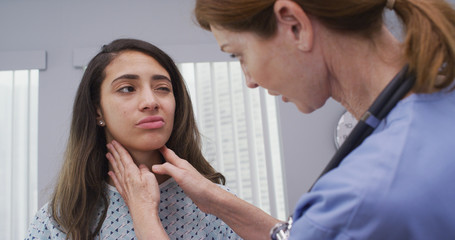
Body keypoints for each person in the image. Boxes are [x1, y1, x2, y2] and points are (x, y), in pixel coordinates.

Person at [106, 0, 455, 239]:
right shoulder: (437, 105)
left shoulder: (362, 194)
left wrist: (143, 214)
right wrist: (215, 199)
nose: (250, 80)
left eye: (239, 54)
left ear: (294, 24)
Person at [25, 38, 241, 240]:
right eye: (127, 88)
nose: (151, 101)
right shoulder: (57, 220)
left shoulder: (219, 205)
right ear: (97, 110)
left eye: (163, 88)